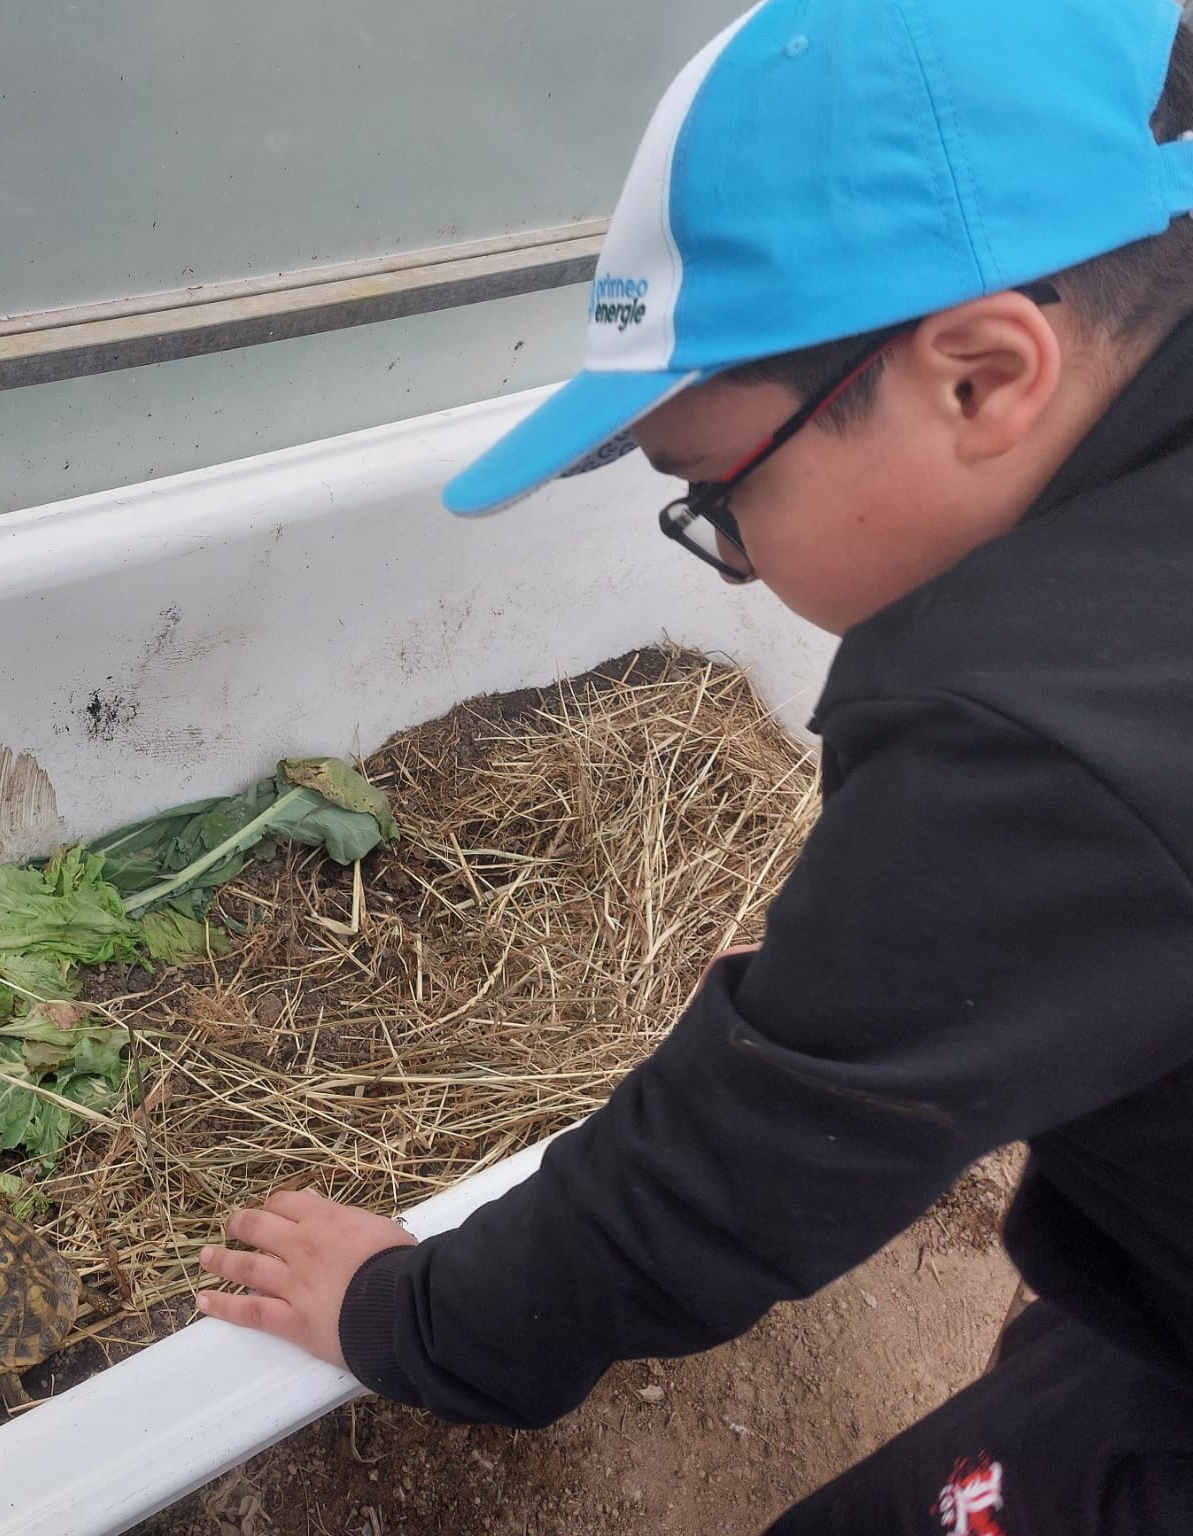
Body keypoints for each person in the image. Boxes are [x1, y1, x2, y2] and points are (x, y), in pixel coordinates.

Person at [195, 0, 1193, 1527]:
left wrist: (410, 1311)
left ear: (984, 377)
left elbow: (725, 1183)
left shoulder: (1025, 725)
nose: (725, 558)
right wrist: (901, 943)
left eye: (712, 493)